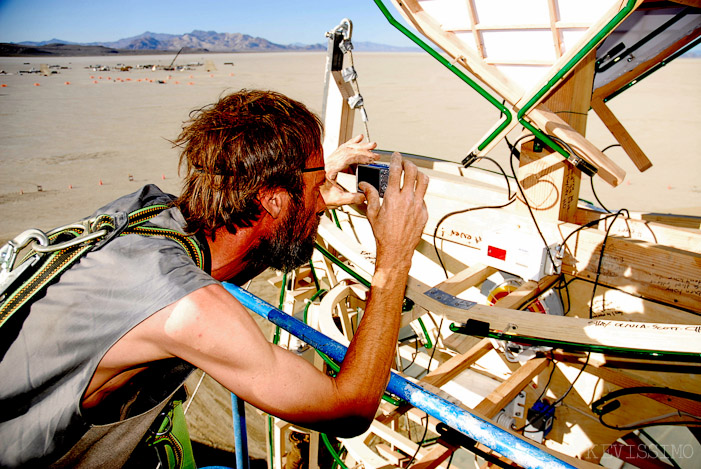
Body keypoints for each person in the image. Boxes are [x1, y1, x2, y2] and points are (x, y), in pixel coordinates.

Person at [0, 89, 429, 467]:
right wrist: (394, 257)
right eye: (314, 183)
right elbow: (347, 410)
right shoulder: (187, 310)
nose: (321, 198)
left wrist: (310, 184)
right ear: (273, 199)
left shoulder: (148, 211)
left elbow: (241, 246)